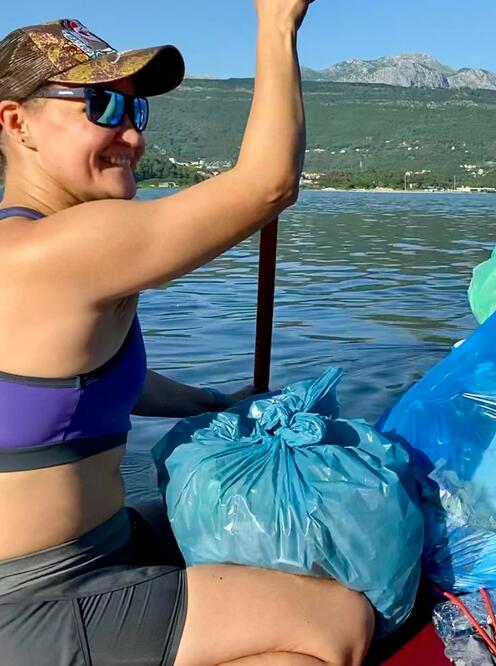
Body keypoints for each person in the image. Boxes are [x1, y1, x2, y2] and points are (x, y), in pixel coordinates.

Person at [0, 4, 375, 666]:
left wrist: (213, 402)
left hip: (100, 544)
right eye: (101, 106)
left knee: (250, 525)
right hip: (32, 598)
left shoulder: (62, 248)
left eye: (136, 111)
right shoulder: (44, 249)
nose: (134, 136)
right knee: (336, 623)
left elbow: (99, 384)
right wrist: (276, 22)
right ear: (15, 121)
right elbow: (267, 185)